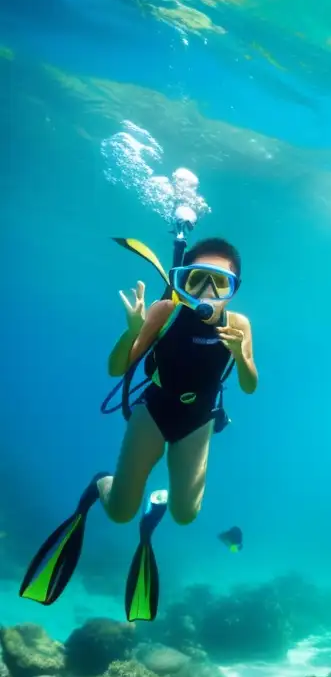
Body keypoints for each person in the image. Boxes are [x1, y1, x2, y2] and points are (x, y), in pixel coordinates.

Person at [20, 237, 258, 621]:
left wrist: (241, 357)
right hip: (155, 411)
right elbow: (118, 368)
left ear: (234, 288)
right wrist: (132, 329)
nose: (207, 292)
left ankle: (156, 506)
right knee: (118, 512)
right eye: (197, 279)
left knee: (185, 515)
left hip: (198, 421)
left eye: (220, 283)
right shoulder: (164, 311)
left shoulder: (239, 324)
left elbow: (249, 385)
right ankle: (102, 482)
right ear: (182, 280)